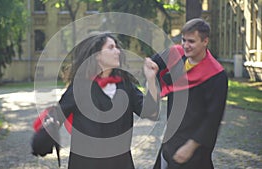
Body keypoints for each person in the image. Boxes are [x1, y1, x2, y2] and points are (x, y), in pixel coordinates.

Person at [57, 32, 160, 169]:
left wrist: (151, 79)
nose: (117, 51)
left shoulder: (125, 84)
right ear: (97, 55)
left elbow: (151, 112)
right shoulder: (80, 87)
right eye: (111, 47)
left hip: (120, 163)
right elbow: (56, 117)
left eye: (117, 47)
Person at [151, 18, 228, 169]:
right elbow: (152, 63)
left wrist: (191, 146)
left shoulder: (216, 75)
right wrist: (149, 69)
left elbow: (213, 118)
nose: (186, 45)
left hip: (194, 146)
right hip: (172, 137)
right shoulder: (178, 55)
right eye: (183, 40)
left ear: (205, 41)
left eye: (191, 41)